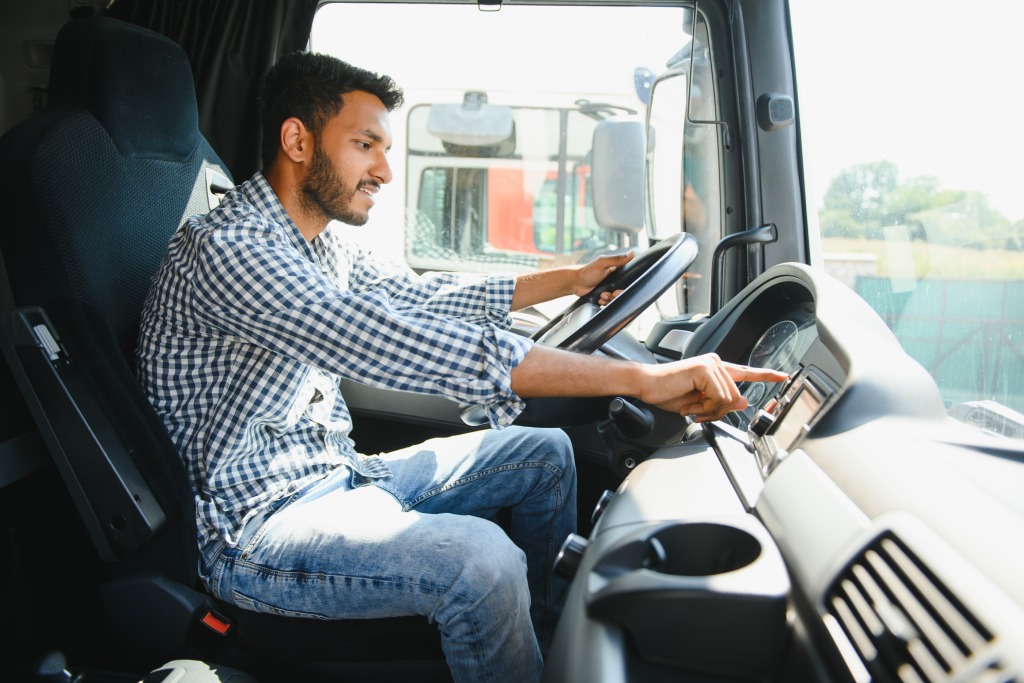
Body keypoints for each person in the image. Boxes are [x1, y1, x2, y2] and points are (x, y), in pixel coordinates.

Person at [135, 51, 788, 683]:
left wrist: (570, 279)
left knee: (545, 455)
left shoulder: (318, 243)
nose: (386, 171)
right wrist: (646, 380)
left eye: (388, 150)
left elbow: (420, 296)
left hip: (342, 476)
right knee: (484, 562)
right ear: (298, 141)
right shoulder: (232, 250)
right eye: (366, 144)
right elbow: (389, 338)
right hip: (258, 534)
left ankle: (534, 639)